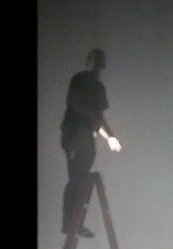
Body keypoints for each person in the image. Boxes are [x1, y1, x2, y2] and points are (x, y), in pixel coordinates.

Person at [60, 48, 121, 238]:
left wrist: (110, 137)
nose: (100, 61)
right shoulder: (80, 79)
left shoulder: (99, 88)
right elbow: (73, 102)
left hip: (87, 136)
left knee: (82, 178)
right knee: (77, 177)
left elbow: (99, 118)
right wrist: (91, 115)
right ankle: (70, 223)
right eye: (97, 57)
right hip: (75, 133)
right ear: (89, 61)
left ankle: (75, 223)